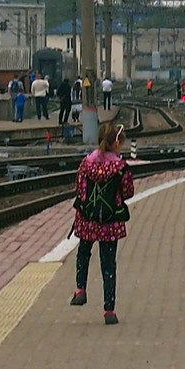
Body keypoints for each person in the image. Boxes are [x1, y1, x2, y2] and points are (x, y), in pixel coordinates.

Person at [69, 122, 134, 325]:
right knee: (108, 264)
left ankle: (81, 289)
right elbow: (128, 192)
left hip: (87, 219)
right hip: (110, 221)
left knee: (83, 252)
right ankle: (109, 311)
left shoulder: (86, 163)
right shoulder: (120, 167)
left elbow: (79, 188)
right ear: (116, 143)